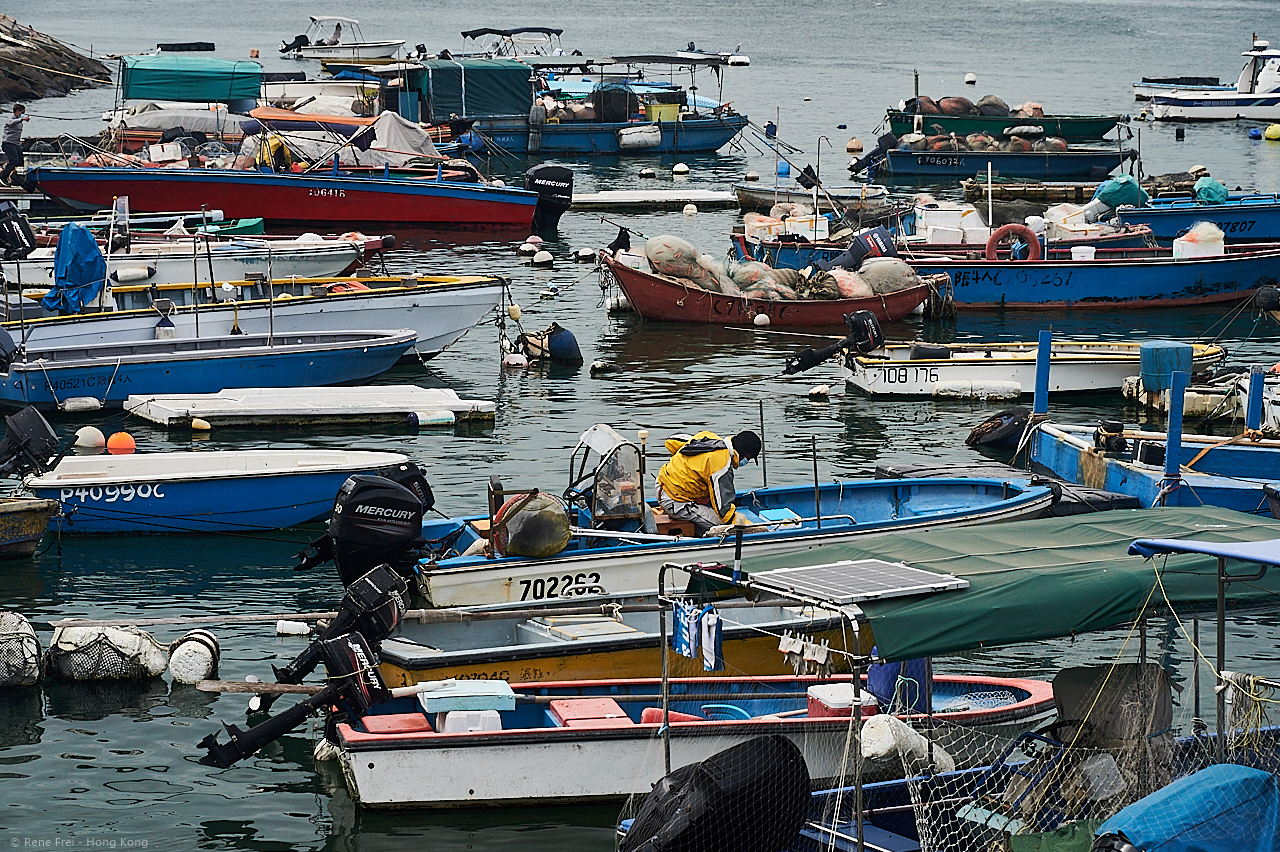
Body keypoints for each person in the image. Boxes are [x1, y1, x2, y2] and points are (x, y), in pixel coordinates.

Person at [656, 430, 762, 535]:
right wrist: (746, 527)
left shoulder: (709, 438)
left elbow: (672, 440)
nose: (746, 462)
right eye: (749, 458)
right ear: (744, 454)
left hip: (661, 485)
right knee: (724, 526)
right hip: (675, 501)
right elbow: (723, 510)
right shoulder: (722, 463)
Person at [1, 104, 30, 186]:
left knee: (20, 161)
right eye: (22, 112)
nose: (23, 114)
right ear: (17, 112)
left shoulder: (19, 119)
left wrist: (24, 119)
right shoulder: (11, 118)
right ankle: (3, 175)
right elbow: (10, 123)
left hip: (16, 143)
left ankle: (16, 178)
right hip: (8, 143)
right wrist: (21, 119)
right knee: (14, 160)